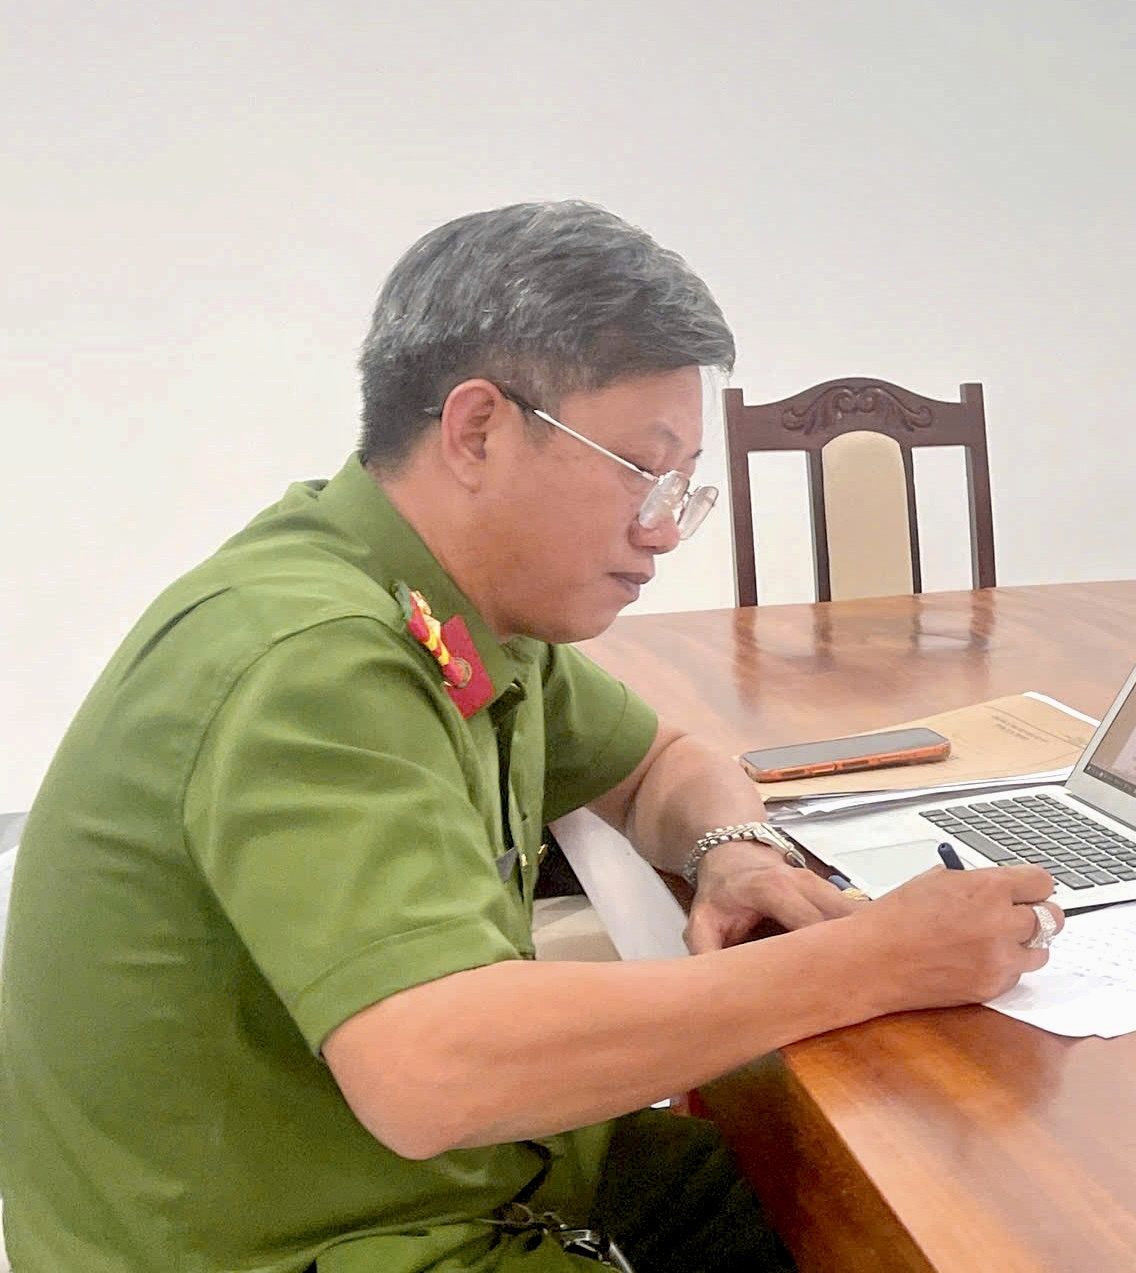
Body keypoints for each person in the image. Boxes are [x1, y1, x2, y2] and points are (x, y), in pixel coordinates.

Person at [0, 201, 1063, 1271]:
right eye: (641, 471)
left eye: (680, 486)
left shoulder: (450, 601)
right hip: (306, 1237)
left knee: (858, 1202)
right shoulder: (314, 660)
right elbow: (433, 1071)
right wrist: (871, 960)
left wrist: (733, 852)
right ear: (478, 431)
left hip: (441, 1179)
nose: (662, 529)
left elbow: (661, 764)